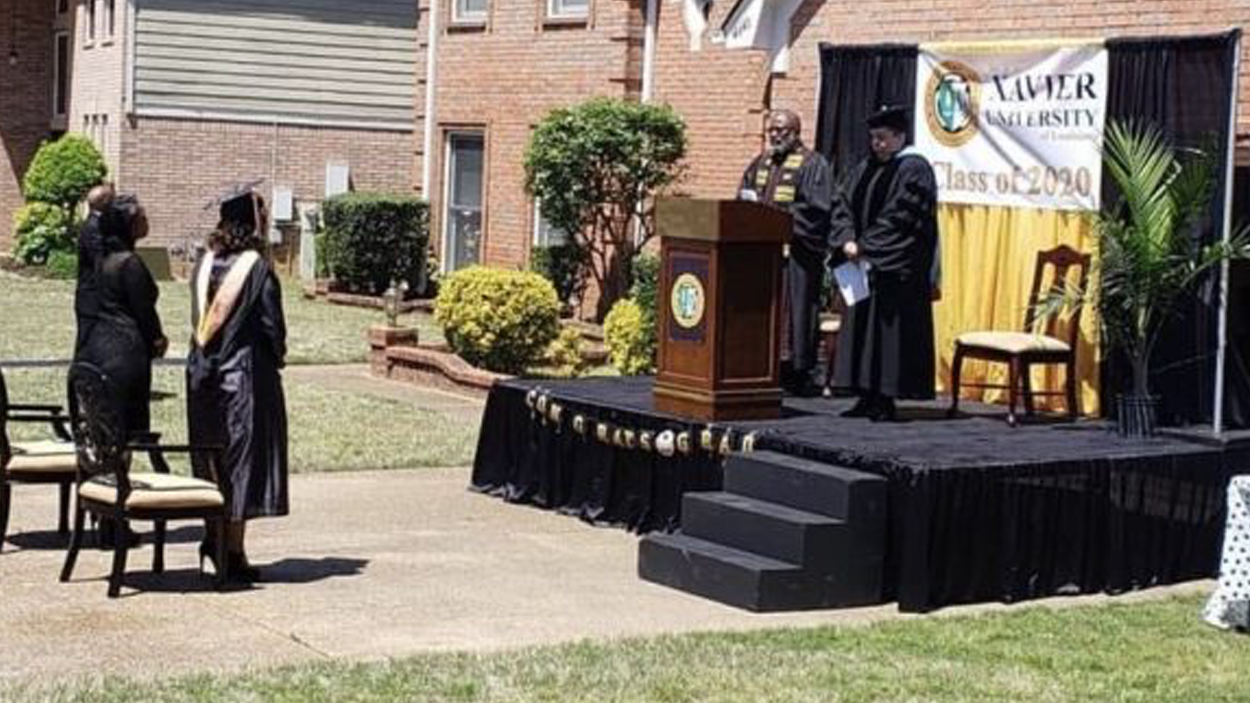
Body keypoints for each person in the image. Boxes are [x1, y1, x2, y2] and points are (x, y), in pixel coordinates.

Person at [187, 183, 289, 583]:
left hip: (201, 375)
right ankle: (232, 551)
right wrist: (276, 357)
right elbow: (270, 326)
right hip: (244, 378)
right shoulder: (257, 268)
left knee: (210, 462)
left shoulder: (203, 262)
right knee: (241, 465)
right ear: (252, 222)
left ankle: (211, 539)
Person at [830, 105, 939, 422]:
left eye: (882, 138)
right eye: (873, 138)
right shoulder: (865, 167)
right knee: (861, 331)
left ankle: (886, 398)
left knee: (888, 336)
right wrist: (846, 239)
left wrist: (864, 247)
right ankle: (864, 395)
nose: (876, 144)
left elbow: (902, 218)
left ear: (900, 137)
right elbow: (842, 206)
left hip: (894, 271)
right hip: (862, 266)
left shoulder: (914, 169)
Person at [739, 109, 834, 397]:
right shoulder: (761, 162)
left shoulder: (813, 164)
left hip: (797, 257)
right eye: (772, 130)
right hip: (764, 258)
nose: (776, 135)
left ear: (796, 132)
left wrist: (777, 216)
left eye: (782, 130)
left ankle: (798, 373)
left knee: (797, 313)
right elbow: (743, 195)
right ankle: (764, 367)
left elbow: (817, 210)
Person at [74, 194, 168, 435]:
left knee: (105, 428)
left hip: (99, 345)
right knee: (127, 429)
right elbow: (143, 309)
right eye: (142, 218)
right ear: (129, 224)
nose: (147, 222)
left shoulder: (104, 260)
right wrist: (157, 339)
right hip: (126, 350)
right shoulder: (129, 264)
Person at [73, 183, 116, 359]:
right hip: (92, 296)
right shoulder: (94, 228)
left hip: (91, 296)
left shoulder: (95, 224)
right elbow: (100, 262)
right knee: (86, 341)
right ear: (105, 202)